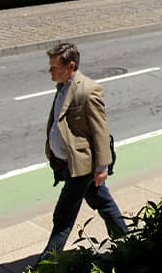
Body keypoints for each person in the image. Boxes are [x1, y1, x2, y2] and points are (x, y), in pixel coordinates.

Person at [40, 42, 128, 258]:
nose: (49, 71)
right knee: (102, 201)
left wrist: (101, 167)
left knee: (63, 217)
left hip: (83, 166)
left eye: (54, 67)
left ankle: (46, 264)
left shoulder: (88, 91)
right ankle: (127, 242)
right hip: (68, 163)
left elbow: (100, 132)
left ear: (70, 66)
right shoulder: (62, 87)